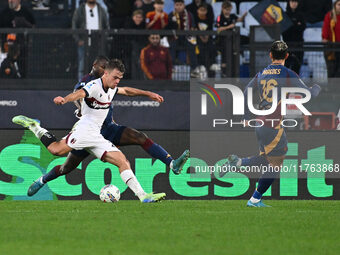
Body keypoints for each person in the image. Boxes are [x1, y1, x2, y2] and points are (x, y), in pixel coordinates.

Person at [12, 59, 167, 203]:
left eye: (119, 78)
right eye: (115, 77)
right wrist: (65, 99)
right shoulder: (94, 86)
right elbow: (79, 93)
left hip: (96, 135)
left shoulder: (111, 88)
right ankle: (34, 126)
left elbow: (127, 91)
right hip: (84, 131)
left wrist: (149, 94)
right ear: (106, 73)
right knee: (55, 150)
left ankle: (143, 196)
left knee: (122, 161)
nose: (117, 81)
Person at [220, 41, 321, 207]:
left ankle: (238, 163)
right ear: (287, 56)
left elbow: (246, 91)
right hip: (272, 123)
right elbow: (309, 95)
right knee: (276, 164)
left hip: (260, 121)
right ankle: (255, 199)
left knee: (267, 159)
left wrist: (246, 115)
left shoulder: (262, 73)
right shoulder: (288, 73)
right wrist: (316, 87)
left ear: (270, 55)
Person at [72, 0, 109, 80]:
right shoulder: (80, 9)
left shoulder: (101, 9)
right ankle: (81, 86)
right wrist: (78, 40)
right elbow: (74, 26)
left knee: (100, 66)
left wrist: (103, 39)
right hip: (84, 41)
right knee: (82, 66)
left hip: (98, 42)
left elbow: (106, 26)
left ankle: (99, 86)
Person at [0, 0, 35, 78]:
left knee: (22, 68)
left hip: (21, 47)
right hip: (7, 47)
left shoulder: (25, 12)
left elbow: (33, 27)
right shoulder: (4, 13)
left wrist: (24, 23)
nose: (11, 1)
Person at [167, 0, 199, 78]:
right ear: (174, 6)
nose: (178, 7)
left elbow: (193, 26)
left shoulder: (189, 15)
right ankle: (172, 66)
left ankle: (194, 68)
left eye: (180, 5)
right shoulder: (171, 15)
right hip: (175, 36)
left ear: (184, 5)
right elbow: (169, 27)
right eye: (177, 5)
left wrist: (192, 30)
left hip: (187, 36)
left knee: (192, 44)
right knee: (172, 44)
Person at [215, 0, 247, 76]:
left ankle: (234, 73)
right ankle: (224, 73)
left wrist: (244, 16)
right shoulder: (220, 18)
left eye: (229, 10)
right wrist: (229, 26)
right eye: (226, 10)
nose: (228, 12)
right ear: (222, 8)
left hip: (233, 40)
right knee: (225, 57)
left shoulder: (232, 16)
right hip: (223, 40)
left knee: (233, 57)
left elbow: (239, 20)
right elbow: (219, 29)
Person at [283, 0, 306, 74]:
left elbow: (302, 27)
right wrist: (296, 24)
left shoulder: (301, 15)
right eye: (292, 1)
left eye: (296, 2)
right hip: (287, 45)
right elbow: (284, 30)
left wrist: (291, 26)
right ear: (288, 3)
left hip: (298, 45)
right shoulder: (285, 15)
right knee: (286, 66)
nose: (294, 3)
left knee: (297, 67)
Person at [322, 0, 340, 78]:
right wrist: (325, 39)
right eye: (339, 4)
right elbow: (325, 31)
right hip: (331, 47)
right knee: (332, 70)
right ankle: (332, 89)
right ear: (335, 5)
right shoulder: (329, 16)